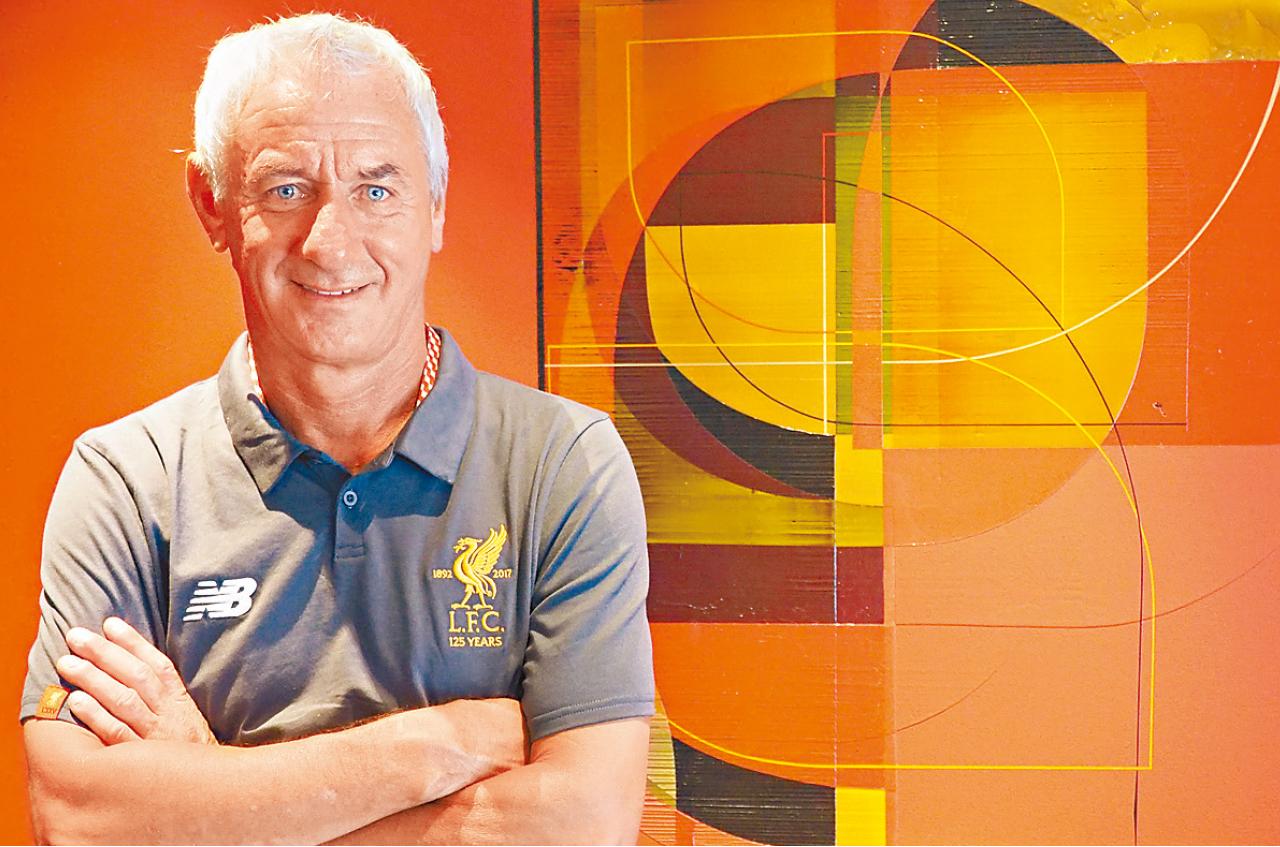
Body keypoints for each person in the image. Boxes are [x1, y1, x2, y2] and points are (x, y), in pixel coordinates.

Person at [19, 12, 653, 845]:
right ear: (212, 205)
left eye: (376, 189)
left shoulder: (563, 465)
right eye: (286, 189)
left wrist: (214, 793)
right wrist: (437, 744)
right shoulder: (125, 481)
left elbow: (585, 823)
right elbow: (75, 817)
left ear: (434, 206)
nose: (331, 240)